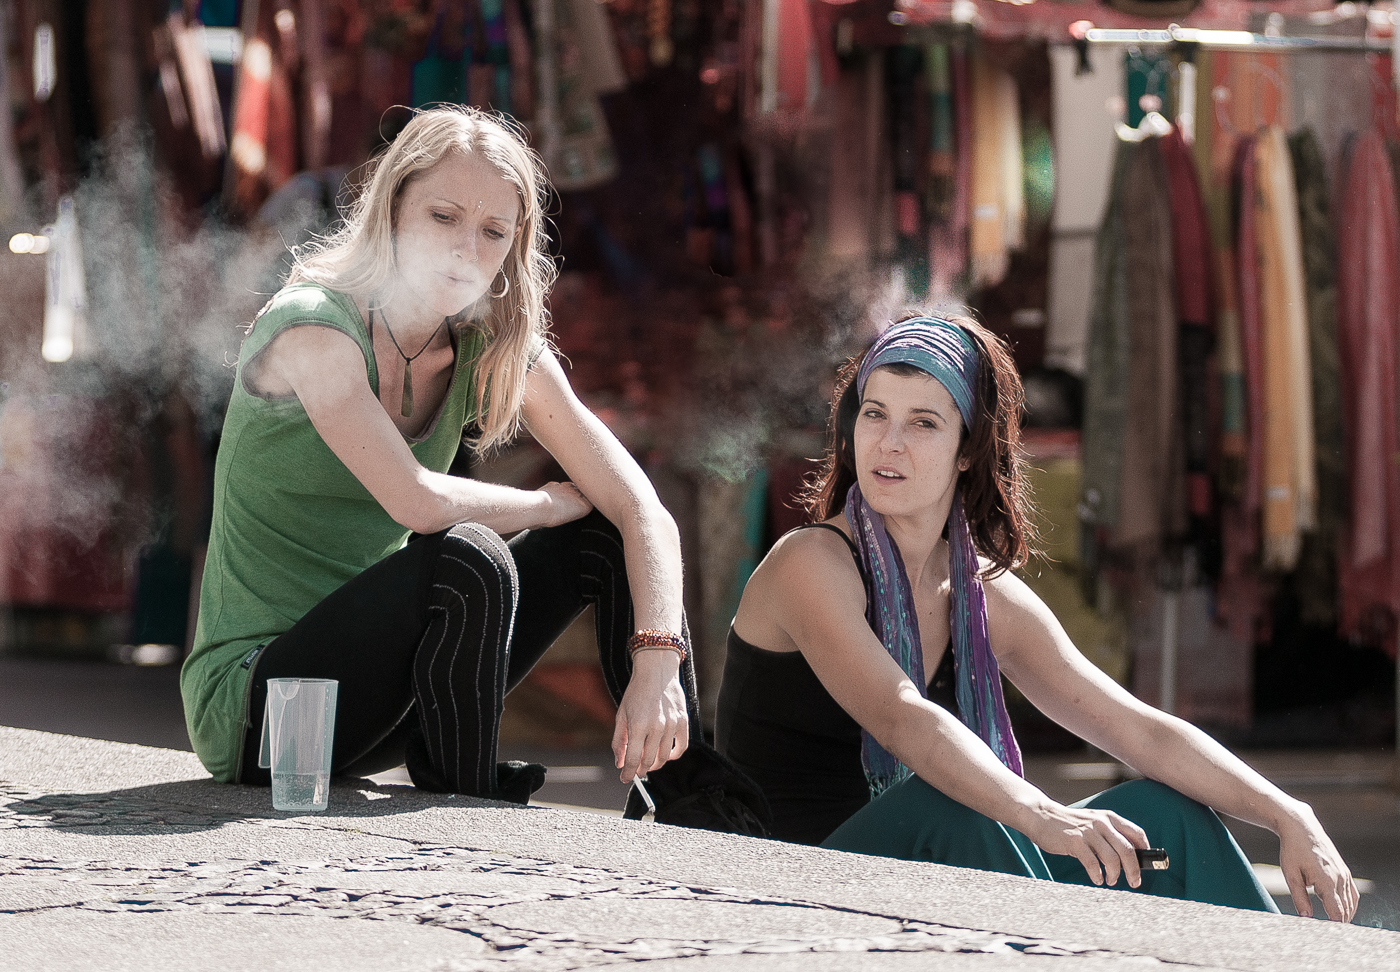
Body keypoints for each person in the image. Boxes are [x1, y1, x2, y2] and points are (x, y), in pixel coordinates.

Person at [716, 315, 1358, 921]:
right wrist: (1042, 815)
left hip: (914, 872)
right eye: (875, 413)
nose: (888, 442)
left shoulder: (983, 594)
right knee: (960, 802)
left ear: (968, 451)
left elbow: (1137, 731)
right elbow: (902, 717)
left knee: (1165, 817)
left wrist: (1286, 813)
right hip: (784, 884)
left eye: (923, 423)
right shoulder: (809, 563)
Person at [181, 106, 694, 801]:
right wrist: (543, 505)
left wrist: (659, 662)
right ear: (393, 209)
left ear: (515, 246)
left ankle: (692, 797)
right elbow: (417, 502)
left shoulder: (489, 344)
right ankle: (465, 797)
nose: (466, 250)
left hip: (386, 701)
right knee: (466, 556)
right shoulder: (313, 324)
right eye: (444, 217)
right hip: (262, 714)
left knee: (602, 533)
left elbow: (643, 511)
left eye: (493, 232)